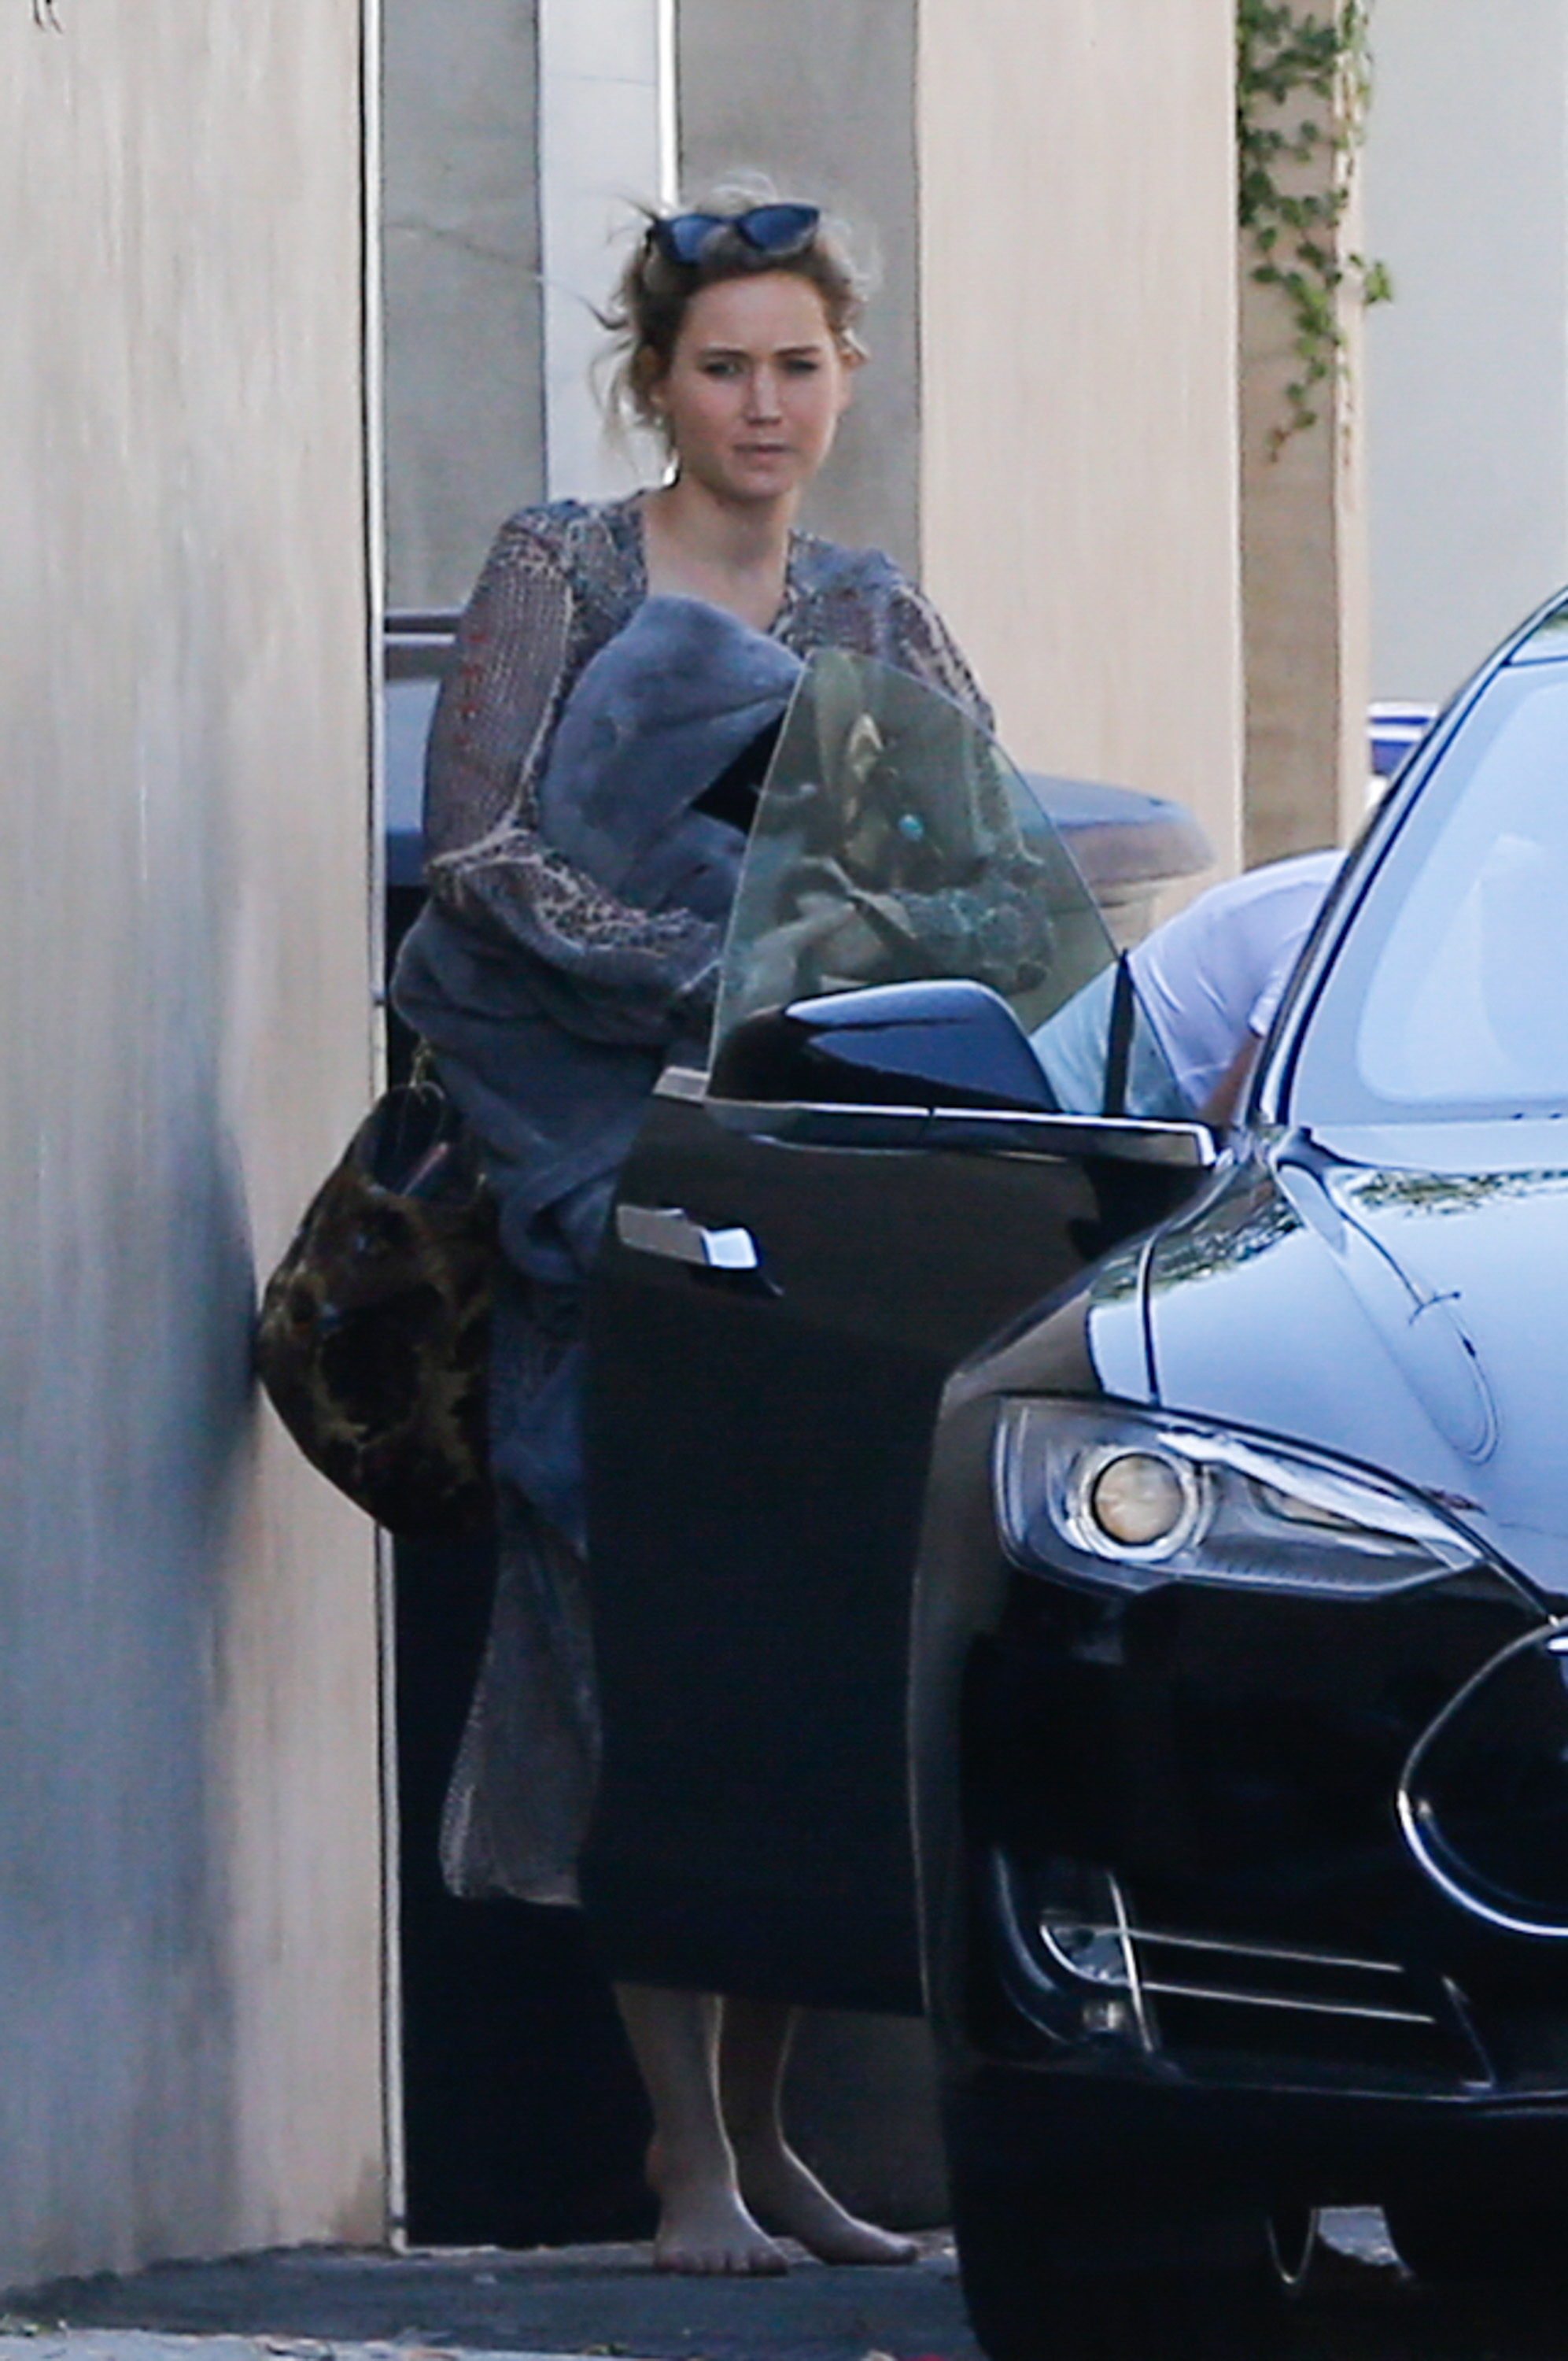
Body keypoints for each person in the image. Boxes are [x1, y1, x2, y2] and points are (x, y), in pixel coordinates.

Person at [393, 190, 1009, 2277]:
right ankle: (684, 2162)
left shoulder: (869, 609)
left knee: (793, 1664)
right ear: (655, 382)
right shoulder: (561, 568)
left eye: (795, 366)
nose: (762, 403)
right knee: (628, 1648)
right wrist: (706, 971)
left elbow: (976, 853)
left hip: (806, 1192)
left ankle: (772, 2140)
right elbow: (477, 852)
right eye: (722, 365)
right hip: (597, 1182)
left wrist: (835, 977)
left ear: (847, 380)